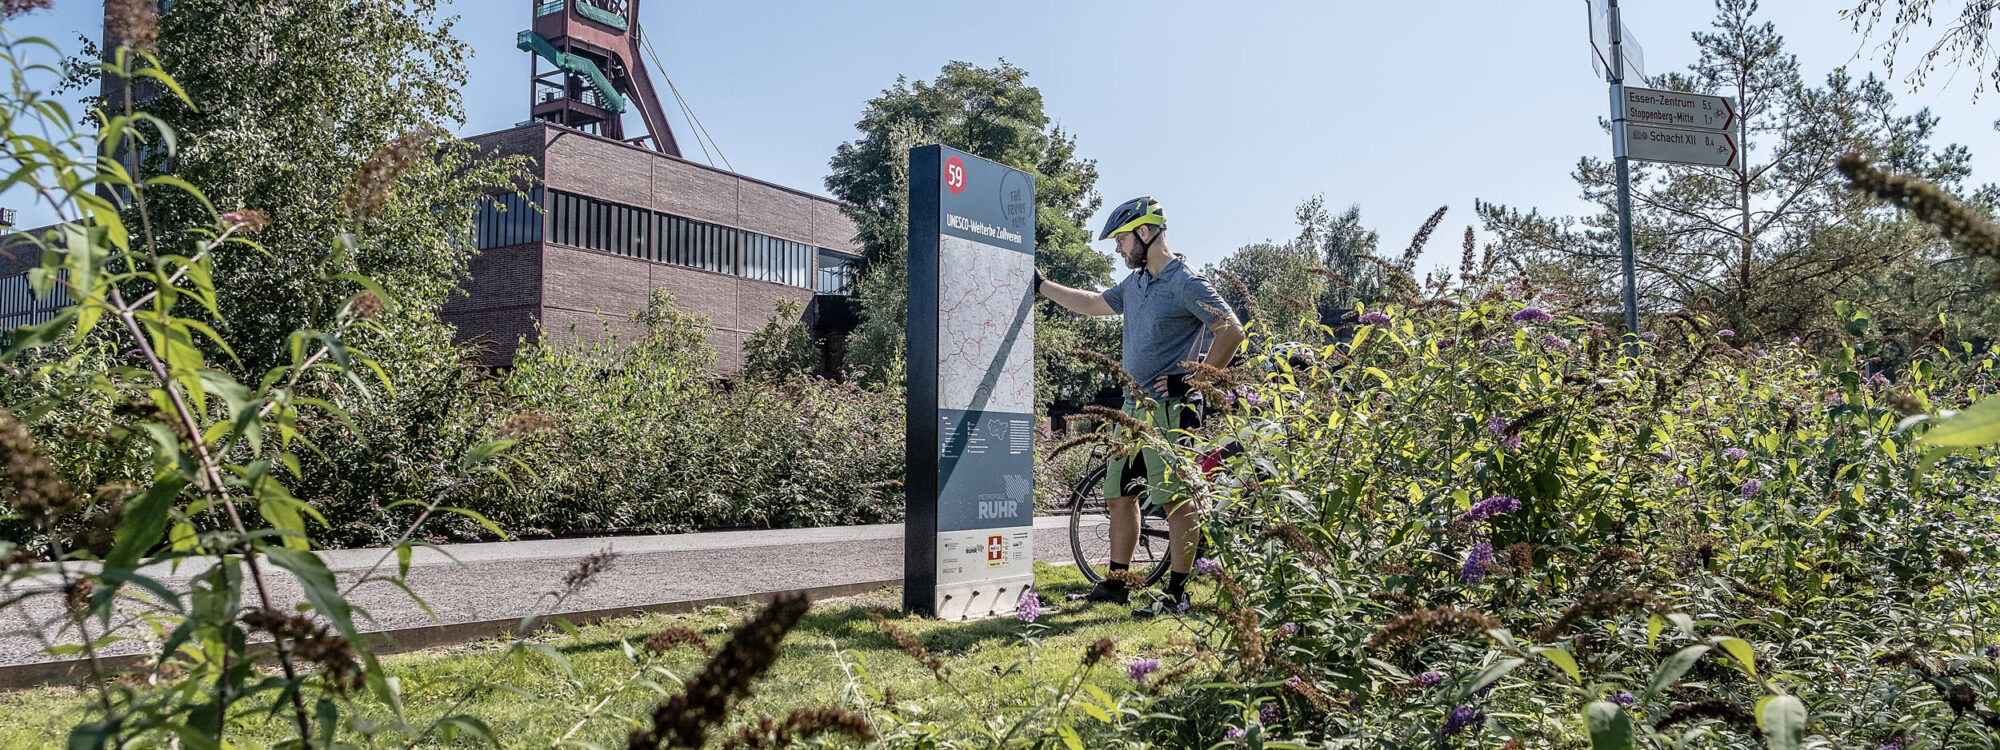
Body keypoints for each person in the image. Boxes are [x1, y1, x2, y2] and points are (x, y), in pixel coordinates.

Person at [1033, 196, 1245, 616]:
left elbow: (1232, 331)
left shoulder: (1185, 282)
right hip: (1130, 411)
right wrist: (1042, 285)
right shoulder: (1136, 284)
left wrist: (1194, 378)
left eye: (1121, 239)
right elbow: (1093, 304)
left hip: (1169, 410)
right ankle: (1117, 584)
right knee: (1119, 495)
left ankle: (1177, 594)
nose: (1118, 249)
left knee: (1176, 501)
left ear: (1145, 234)